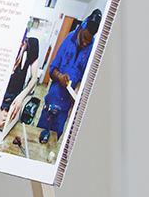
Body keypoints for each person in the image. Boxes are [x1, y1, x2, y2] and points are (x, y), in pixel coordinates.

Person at [37, 10, 102, 144]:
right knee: (39, 135)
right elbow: (52, 69)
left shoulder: (91, 47)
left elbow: (83, 78)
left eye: (88, 40)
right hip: (53, 99)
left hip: (66, 105)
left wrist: (77, 89)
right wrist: (60, 76)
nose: (85, 43)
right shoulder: (69, 39)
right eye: (85, 38)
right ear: (83, 27)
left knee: (53, 141)